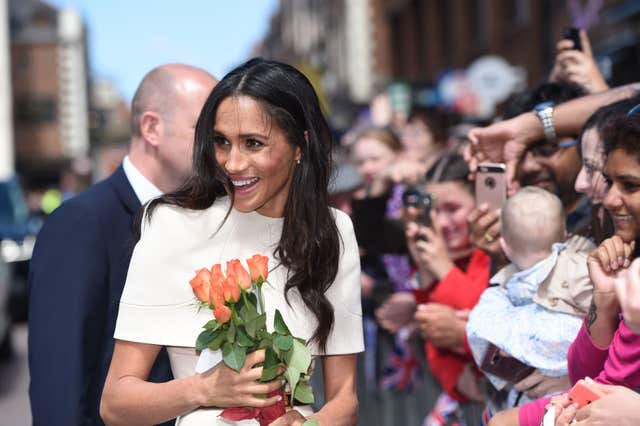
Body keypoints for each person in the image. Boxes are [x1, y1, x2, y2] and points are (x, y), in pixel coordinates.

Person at [100, 58, 363, 425]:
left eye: (253, 143)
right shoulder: (170, 225)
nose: (232, 163)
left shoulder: (333, 233)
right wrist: (205, 389)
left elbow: (344, 400)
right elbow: (115, 403)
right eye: (221, 142)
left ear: (299, 146)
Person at [27, 64, 218, 426]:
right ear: (151, 128)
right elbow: (60, 385)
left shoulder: (206, 220)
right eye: (205, 129)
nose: (219, 145)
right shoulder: (82, 224)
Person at [489, 109, 640, 426]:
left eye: (630, 185)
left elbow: (610, 394)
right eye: (610, 181)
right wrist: (604, 299)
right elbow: (584, 375)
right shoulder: (627, 262)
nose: (610, 199)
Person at [376, 153, 490, 425]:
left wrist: (441, 268)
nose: (442, 223)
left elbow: (484, 318)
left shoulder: (492, 254)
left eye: (452, 209)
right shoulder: (438, 256)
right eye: (434, 210)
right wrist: (456, 382)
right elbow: (435, 338)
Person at [467, 187, 592, 412]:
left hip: (530, 397)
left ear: (504, 244)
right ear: (565, 234)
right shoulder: (586, 267)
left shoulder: (499, 296)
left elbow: (478, 331)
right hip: (578, 396)